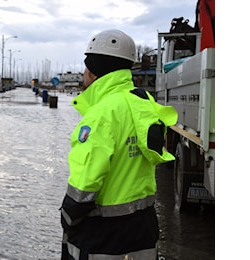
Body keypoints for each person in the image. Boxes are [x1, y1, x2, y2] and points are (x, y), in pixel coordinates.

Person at [60, 29, 178, 259]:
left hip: (103, 234)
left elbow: (85, 184)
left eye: (86, 67)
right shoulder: (143, 102)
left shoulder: (101, 116)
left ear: (93, 72)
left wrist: (67, 216)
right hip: (144, 226)